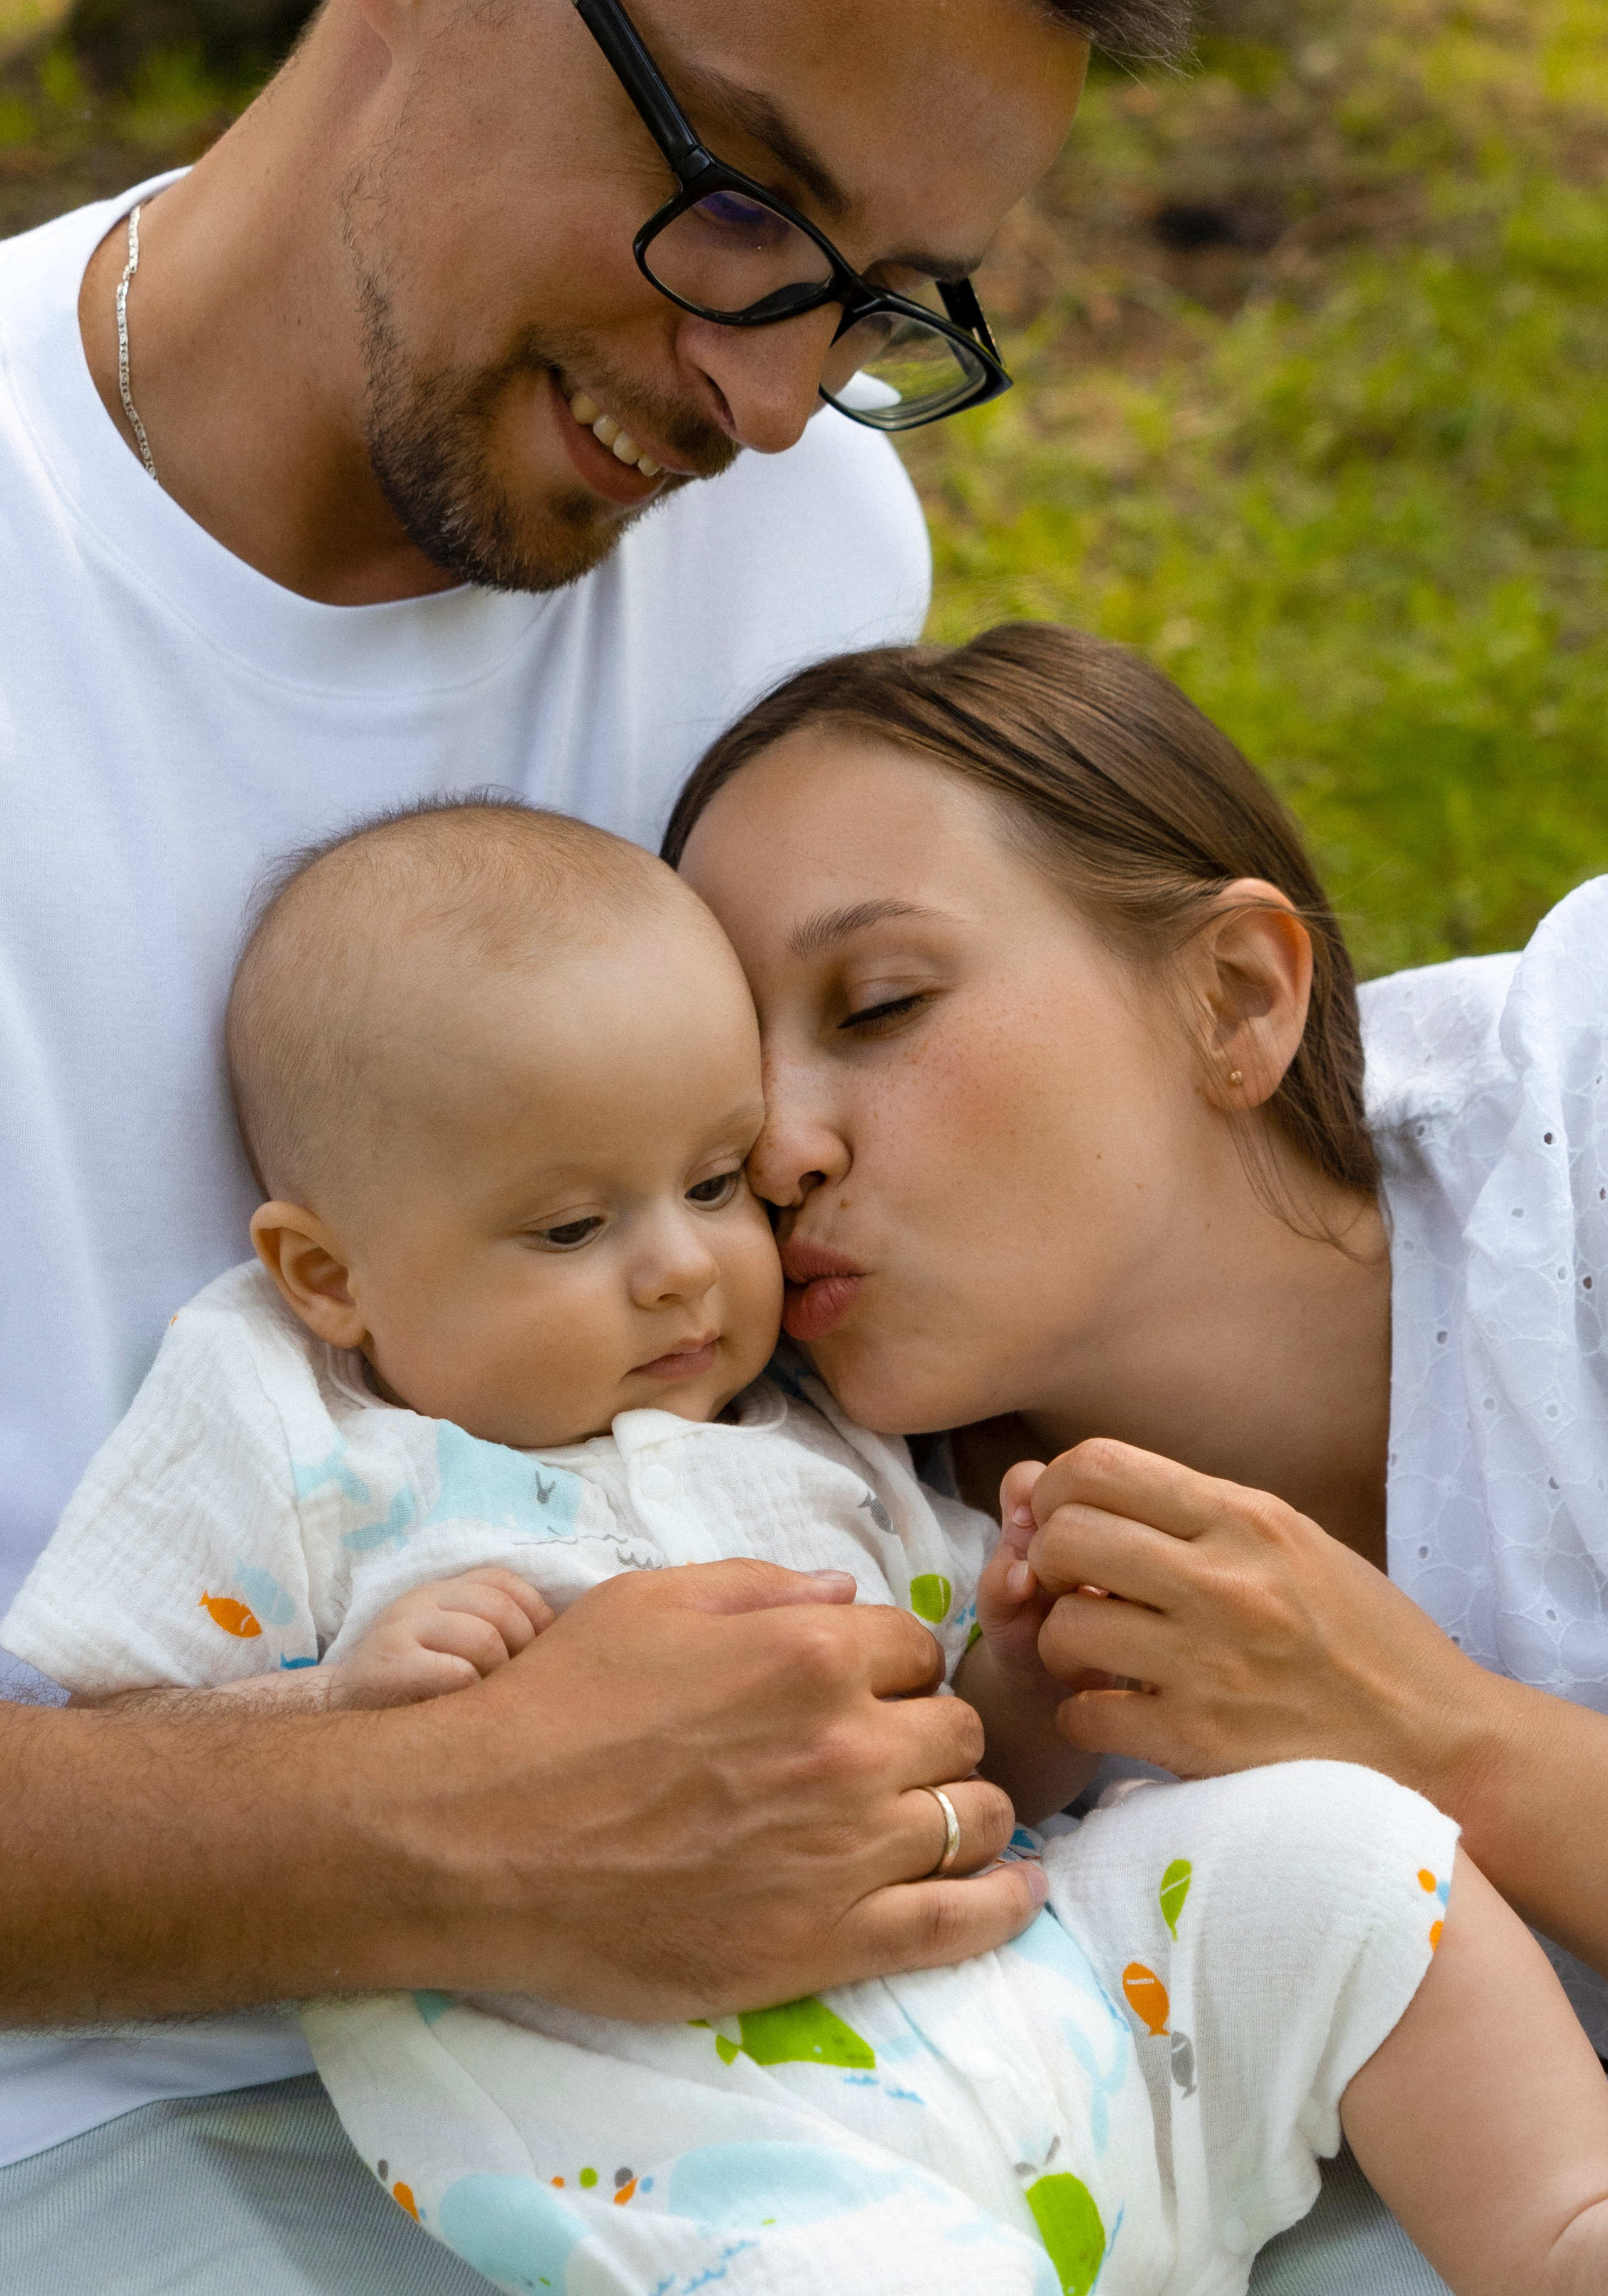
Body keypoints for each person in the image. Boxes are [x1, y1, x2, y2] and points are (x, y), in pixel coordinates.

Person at [0, 0, 1188, 2282]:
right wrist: (432, 1826)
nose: (770, 399)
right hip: (95, 2113)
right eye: (740, 196)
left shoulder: (797, 553)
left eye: (880, 298)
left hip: (853, 2035)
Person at [9, 796, 1606, 2296]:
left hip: (1062, 2002)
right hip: (703, 2129)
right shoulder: (302, 1424)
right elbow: (124, 1707)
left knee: (1343, 1851)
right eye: (570, 1228)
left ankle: (1557, 2224)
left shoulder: (804, 1422)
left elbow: (971, 1762)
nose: (683, 1266)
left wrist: (1019, 1670)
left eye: (713, 1182)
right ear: (327, 1274)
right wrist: (356, 1707)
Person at [666, 619, 1608, 2296]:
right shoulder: (814, 1560)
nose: (783, 1150)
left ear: (1235, 994)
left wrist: (1431, 1730)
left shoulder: (1576, 1127)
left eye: (879, 1005)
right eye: (722, 1102)